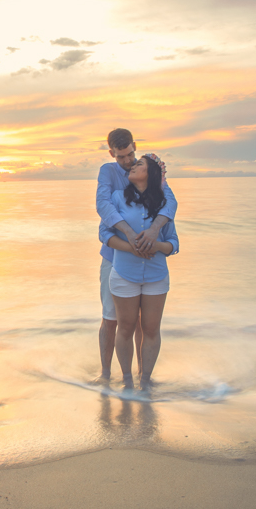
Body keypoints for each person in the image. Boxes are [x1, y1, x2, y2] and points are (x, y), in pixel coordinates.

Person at [96, 129, 177, 381]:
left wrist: (154, 232)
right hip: (115, 258)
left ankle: (144, 376)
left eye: (131, 154)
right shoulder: (108, 173)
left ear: (135, 146)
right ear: (112, 153)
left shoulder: (151, 171)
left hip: (151, 267)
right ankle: (107, 375)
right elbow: (103, 206)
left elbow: (170, 201)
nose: (128, 161)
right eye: (121, 157)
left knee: (145, 324)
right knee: (112, 319)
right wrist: (131, 237)